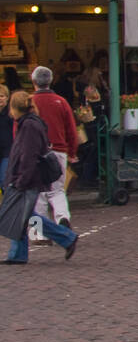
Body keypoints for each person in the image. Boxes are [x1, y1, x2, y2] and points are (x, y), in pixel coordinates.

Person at [0, 91, 79, 264]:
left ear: (15, 108)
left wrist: (21, 180)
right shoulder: (29, 123)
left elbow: (29, 155)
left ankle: (66, 237)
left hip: (27, 178)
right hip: (26, 177)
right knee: (22, 213)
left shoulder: (28, 126)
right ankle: (18, 254)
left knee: (25, 213)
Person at [28, 66, 78, 228]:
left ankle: (38, 232)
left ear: (33, 81)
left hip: (34, 152)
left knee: (37, 193)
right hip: (58, 151)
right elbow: (71, 130)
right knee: (57, 190)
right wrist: (72, 152)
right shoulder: (61, 102)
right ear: (50, 81)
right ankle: (62, 217)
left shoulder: (29, 102)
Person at [0, 84, 13, 188]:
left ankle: (6, 203)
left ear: (7, 98)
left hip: (8, 152)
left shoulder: (11, 113)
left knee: (4, 180)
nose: (0, 99)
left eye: (2, 96)